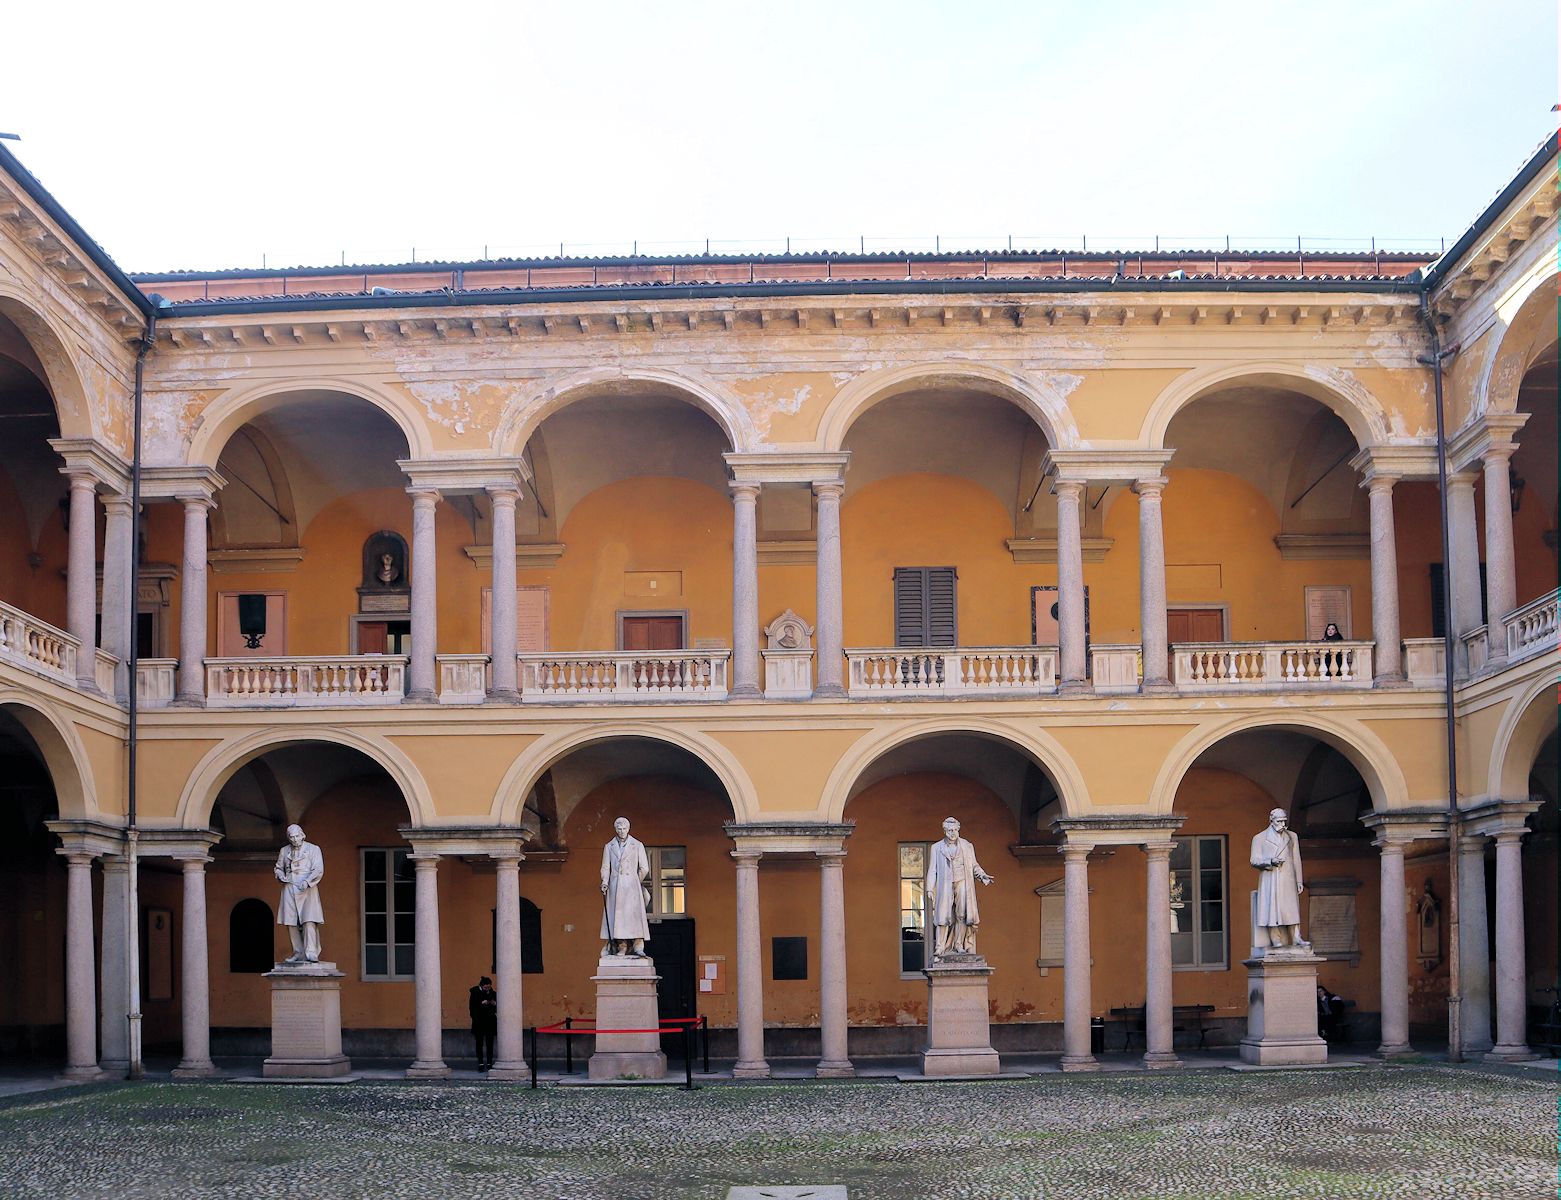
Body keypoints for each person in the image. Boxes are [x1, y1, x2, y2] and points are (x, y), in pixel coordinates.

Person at [925, 816, 994, 960]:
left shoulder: (967, 846)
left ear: (958, 830)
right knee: (942, 916)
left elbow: (974, 865)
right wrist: (930, 888)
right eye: (949, 830)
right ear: (944, 831)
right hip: (945, 884)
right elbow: (932, 870)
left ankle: (959, 945)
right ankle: (940, 948)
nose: (952, 833)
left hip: (962, 881)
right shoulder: (937, 848)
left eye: (955, 830)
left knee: (962, 914)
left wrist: (982, 876)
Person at [1250, 808, 1307, 950]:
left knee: (1291, 909)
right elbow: (1254, 860)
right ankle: (1276, 939)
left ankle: (1296, 937)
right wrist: (1270, 861)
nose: (1282, 824)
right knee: (1272, 910)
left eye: (1283, 821)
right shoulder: (1260, 838)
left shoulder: (1291, 836)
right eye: (1279, 821)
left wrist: (1299, 880)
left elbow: (1296, 859)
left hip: (1287, 878)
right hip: (1271, 878)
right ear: (1271, 820)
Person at [600, 817, 652, 957]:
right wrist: (605, 882)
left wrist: (635, 880)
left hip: (631, 887)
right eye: (619, 829)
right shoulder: (609, 846)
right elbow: (605, 867)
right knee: (618, 917)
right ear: (615, 830)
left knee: (634, 916)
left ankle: (638, 945)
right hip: (615, 886)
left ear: (628, 829)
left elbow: (644, 868)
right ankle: (621, 946)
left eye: (624, 829)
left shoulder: (637, 845)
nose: (622, 831)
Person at [274, 823, 325, 963]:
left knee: (309, 919)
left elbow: (318, 869)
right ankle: (298, 951)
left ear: (302, 835)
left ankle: (311, 951)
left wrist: (308, 881)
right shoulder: (284, 851)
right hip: (289, 886)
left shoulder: (313, 849)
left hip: (307, 888)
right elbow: (278, 867)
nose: (295, 839)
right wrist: (280, 875)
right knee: (291, 921)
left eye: (297, 836)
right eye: (292, 837)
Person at [469, 976, 497, 1070]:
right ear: (481, 986)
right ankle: (480, 1063)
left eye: (488, 987)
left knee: (490, 1043)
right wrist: (481, 1004)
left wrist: (494, 1004)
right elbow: (472, 1008)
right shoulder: (474, 993)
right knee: (479, 1043)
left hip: (490, 1022)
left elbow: (497, 1008)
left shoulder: (493, 993)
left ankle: (489, 1063)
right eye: (485, 987)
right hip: (479, 1022)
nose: (487, 989)